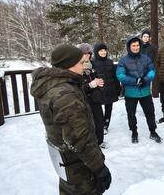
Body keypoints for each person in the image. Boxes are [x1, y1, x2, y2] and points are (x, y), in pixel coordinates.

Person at [30, 44, 111, 195]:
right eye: (81, 63)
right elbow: (80, 139)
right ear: (68, 65)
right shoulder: (65, 95)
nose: (84, 66)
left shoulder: (52, 85)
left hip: (66, 162)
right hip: (78, 166)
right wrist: (100, 168)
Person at [116, 36, 162, 144]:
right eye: (133, 45)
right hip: (131, 93)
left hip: (145, 91)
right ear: (129, 47)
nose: (136, 47)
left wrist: (145, 79)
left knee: (150, 112)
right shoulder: (123, 60)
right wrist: (135, 81)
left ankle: (153, 131)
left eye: (137, 45)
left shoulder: (146, 58)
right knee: (131, 114)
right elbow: (120, 75)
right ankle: (134, 132)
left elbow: (152, 71)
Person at [77, 43, 106, 148]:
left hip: (95, 98)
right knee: (89, 122)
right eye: (84, 54)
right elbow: (78, 88)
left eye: (88, 54)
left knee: (99, 119)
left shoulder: (92, 65)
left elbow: (97, 78)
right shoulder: (77, 68)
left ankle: (100, 141)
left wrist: (100, 83)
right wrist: (91, 85)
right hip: (84, 100)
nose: (87, 56)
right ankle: (92, 144)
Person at [91, 42, 121, 135]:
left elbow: (115, 76)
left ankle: (105, 125)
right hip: (98, 91)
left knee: (109, 108)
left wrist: (118, 88)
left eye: (105, 50)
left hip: (110, 89)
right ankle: (98, 125)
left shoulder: (110, 62)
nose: (103, 52)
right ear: (97, 52)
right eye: (101, 50)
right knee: (98, 110)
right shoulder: (92, 63)